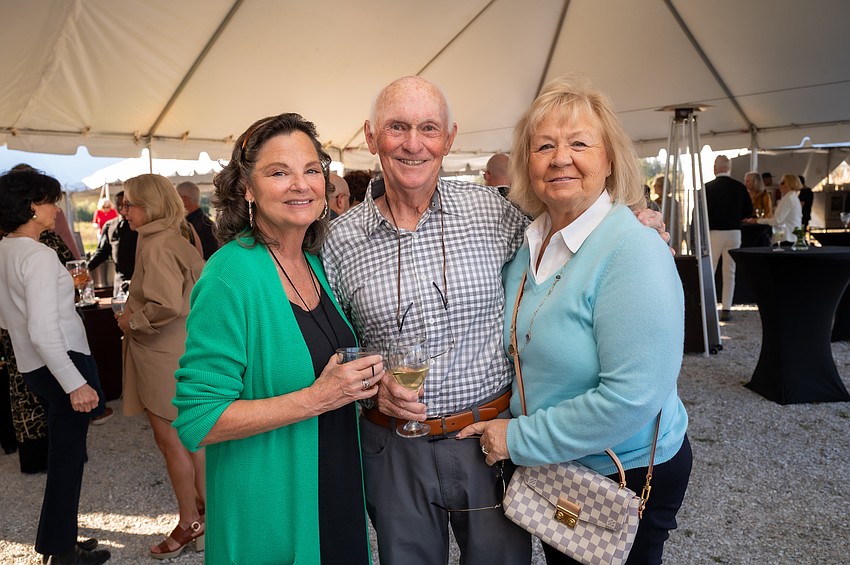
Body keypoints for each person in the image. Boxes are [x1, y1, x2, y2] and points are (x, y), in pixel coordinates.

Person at [323, 75, 669, 565]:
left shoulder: (494, 212)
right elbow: (336, 345)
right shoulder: (339, 242)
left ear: (449, 138)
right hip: (392, 446)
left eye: (429, 128)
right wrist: (372, 389)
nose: (413, 143)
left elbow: (572, 224)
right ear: (371, 135)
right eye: (397, 127)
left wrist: (633, 218)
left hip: (487, 441)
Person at [457, 73, 691, 565]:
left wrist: (516, 438)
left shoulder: (634, 250)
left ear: (610, 159)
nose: (560, 157)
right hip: (555, 466)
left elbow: (631, 397)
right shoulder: (528, 243)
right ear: (527, 164)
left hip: (619, 475)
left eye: (579, 143)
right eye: (544, 146)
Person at [173, 113, 381, 565]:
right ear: (247, 188)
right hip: (270, 509)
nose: (300, 185)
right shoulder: (230, 275)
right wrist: (317, 398)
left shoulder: (315, 262)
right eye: (279, 172)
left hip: (334, 488)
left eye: (311, 170)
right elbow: (199, 419)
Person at [0, 170, 111, 565]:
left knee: (64, 459)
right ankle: (62, 552)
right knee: (67, 461)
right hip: (61, 362)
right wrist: (75, 383)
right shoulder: (39, 255)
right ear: (32, 207)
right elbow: (44, 330)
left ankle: (59, 542)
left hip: (34, 365)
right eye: (50, 201)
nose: (56, 209)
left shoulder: (5, 249)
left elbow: (7, 319)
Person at [113, 174, 207, 560]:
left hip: (161, 354)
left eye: (129, 204)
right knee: (192, 438)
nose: (124, 211)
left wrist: (130, 320)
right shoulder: (177, 235)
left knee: (172, 441)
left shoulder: (157, 244)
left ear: (149, 205)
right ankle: (206, 515)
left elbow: (165, 303)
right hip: (180, 349)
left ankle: (190, 523)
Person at [705, 155, 752, 322]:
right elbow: (748, 212)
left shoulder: (707, 188)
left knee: (710, 270)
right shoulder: (739, 187)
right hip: (734, 232)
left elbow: (700, 214)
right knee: (730, 271)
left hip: (714, 233)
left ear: (715, 168)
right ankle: (726, 308)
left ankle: (707, 306)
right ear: (729, 168)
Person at [87, 191, 138, 293]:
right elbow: (102, 252)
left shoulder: (139, 225)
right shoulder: (110, 226)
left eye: (125, 204)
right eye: (118, 204)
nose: (121, 207)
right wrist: (87, 267)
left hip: (137, 278)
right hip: (119, 280)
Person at [176, 181, 219, 260]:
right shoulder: (206, 222)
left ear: (184, 200)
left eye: (176, 199)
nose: (174, 203)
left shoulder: (191, 226)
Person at [756, 173, 803, 243]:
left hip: (787, 237)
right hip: (792, 236)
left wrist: (758, 221)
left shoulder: (788, 199)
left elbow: (777, 220)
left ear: (790, 184)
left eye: (782, 183)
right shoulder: (793, 197)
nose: (779, 184)